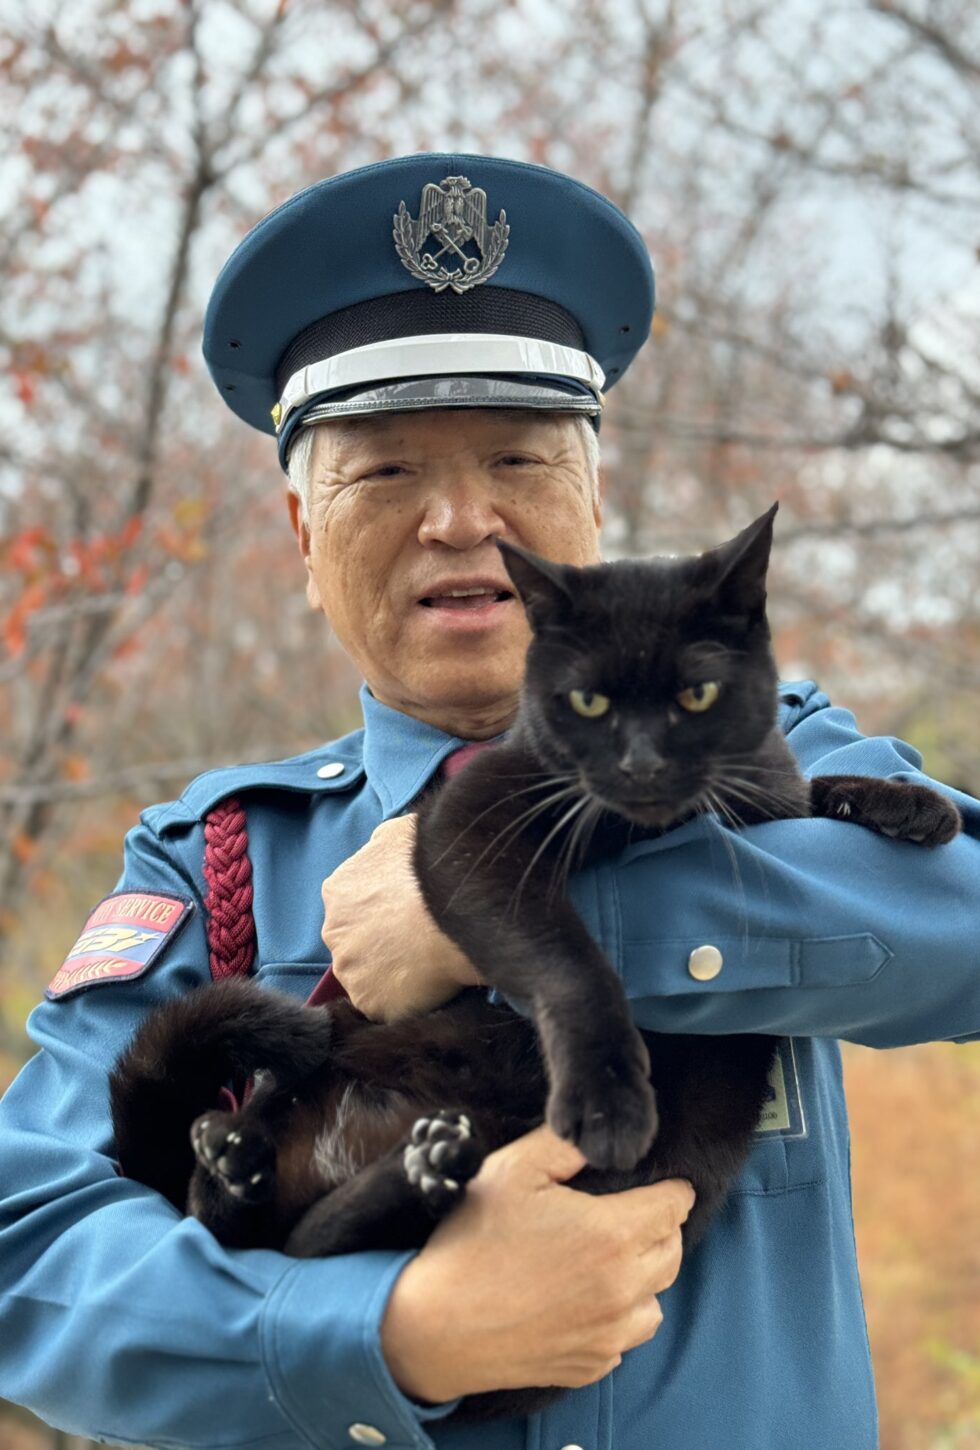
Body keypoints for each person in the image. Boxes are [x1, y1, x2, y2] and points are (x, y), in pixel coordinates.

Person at [0, 153, 977, 1450]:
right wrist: (383, 1329)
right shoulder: (219, 862)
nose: (461, 518)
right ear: (302, 536)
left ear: (591, 500)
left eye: (516, 455)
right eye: (388, 473)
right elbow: (30, 1250)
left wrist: (510, 910)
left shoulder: (768, 763)